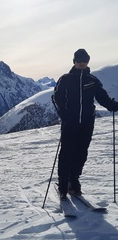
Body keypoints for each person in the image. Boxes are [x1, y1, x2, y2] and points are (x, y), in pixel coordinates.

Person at [52, 48, 118, 200]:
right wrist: (63, 114)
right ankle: (63, 183)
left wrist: (112, 105)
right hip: (70, 122)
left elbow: (102, 97)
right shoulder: (66, 79)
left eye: (84, 61)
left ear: (87, 62)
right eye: (79, 61)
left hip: (87, 123)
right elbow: (56, 98)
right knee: (67, 153)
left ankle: (73, 180)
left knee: (81, 153)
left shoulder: (92, 81)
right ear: (74, 62)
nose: (82, 63)